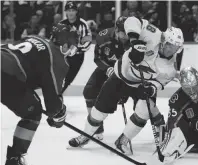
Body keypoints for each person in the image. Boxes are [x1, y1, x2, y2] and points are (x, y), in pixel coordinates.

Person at [68, 16, 184, 155]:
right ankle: (86, 135)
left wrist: (151, 88)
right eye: (171, 45)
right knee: (100, 110)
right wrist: (135, 42)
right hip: (119, 76)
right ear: (164, 40)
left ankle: (123, 140)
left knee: (145, 111)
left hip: (140, 84)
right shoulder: (154, 34)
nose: (173, 50)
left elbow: (159, 82)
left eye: (177, 47)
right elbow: (132, 20)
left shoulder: (171, 68)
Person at [1, 23, 79, 165]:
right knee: (33, 112)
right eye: (72, 43)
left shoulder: (36, 38)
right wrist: (58, 116)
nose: (73, 47)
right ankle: (14, 160)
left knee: (32, 102)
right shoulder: (57, 57)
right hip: (5, 75)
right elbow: (53, 103)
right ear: (65, 44)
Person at [68, 16, 130, 147]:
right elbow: (97, 58)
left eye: (128, 32)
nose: (125, 36)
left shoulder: (134, 39)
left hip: (126, 73)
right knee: (89, 91)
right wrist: (107, 69)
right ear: (116, 29)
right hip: (107, 68)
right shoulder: (104, 36)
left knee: (134, 100)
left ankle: (129, 135)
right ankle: (96, 128)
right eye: (123, 32)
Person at [59, 1, 92, 94]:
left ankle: (58, 95)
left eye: (73, 10)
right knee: (58, 77)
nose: (70, 13)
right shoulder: (61, 23)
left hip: (77, 57)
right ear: (65, 11)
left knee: (68, 79)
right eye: (68, 10)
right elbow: (54, 40)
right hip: (63, 56)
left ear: (76, 12)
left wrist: (77, 48)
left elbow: (88, 41)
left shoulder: (83, 24)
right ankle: (56, 96)